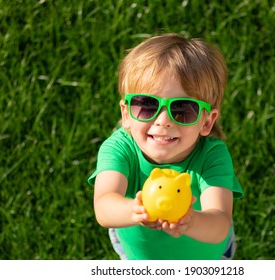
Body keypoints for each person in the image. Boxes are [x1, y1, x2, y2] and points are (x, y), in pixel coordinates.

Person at [88, 33, 244, 260]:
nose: (163, 120)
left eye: (182, 109)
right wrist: (137, 211)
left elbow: (220, 223)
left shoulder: (212, 156)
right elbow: (104, 206)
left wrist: (190, 220)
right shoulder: (119, 148)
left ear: (207, 121)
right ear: (126, 114)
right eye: (147, 105)